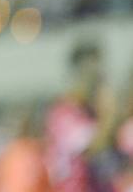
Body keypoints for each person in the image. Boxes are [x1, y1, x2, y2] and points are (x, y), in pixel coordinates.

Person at [44, 41, 117, 192]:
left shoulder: (91, 113)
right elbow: (92, 148)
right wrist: (110, 112)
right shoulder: (63, 114)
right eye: (94, 76)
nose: (99, 82)